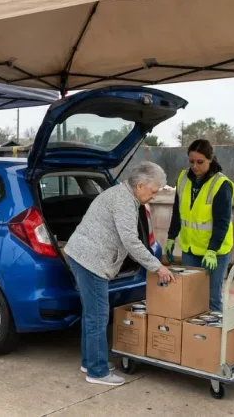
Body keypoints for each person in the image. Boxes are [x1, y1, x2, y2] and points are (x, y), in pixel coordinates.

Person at [64, 161, 175, 387]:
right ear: (140, 185)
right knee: (98, 316)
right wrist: (157, 266)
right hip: (91, 261)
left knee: (92, 314)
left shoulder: (122, 194)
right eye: (153, 191)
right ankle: (97, 371)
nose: (153, 196)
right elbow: (131, 242)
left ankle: (90, 361)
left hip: (81, 254)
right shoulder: (123, 201)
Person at [165, 139, 234, 312]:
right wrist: (171, 237)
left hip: (214, 253)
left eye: (200, 162)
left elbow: (222, 222)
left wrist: (212, 250)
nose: (195, 166)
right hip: (191, 249)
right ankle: (195, 337)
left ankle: (215, 337)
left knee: (212, 297)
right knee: (192, 296)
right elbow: (178, 211)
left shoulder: (221, 184)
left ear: (211, 159)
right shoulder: (183, 178)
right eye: (191, 161)